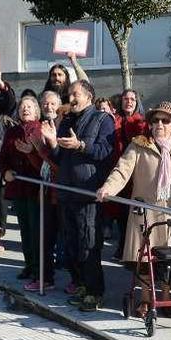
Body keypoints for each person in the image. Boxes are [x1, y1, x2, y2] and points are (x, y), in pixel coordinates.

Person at [96, 101, 171, 317]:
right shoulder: (138, 145)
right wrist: (107, 187)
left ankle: (166, 300)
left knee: (167, 261)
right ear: (150, 124)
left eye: (165, 120)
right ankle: (145, 301)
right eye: (155, 120)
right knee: (144, 261)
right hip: (144, 213)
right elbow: (121, 172)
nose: (159, 124)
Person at [48, 79, 115, 311]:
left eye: (75, 94)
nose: (71, 99)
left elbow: (105, 152)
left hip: (87, 191)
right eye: (69, 95)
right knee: (72, 244)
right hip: (67, 190)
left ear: (89, 96)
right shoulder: (67, 120)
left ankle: (95, 292)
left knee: (89, 244)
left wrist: (81, 146)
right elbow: (59, 158)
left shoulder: (102, 119)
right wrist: (51, 143)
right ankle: (82, 285)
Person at [0, 96, 48, 290]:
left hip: (36, 189)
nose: (25, 109)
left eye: (29, 107)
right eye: (23, 107)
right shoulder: (12, 131)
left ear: (36, 111)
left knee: (37, 231)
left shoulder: (41, 129)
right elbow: (3, 157)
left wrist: (32, 151)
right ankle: (29, 265)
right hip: (18, 187)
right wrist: (5, 172)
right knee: (25, 230)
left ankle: (40, 270)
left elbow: (47, 160)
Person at [109, 88, 148, 259]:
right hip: (118, 171)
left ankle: (134, 249)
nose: (129, 102)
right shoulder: (114, 120)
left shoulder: (141, 122)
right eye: (126, 98)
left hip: (136, 174)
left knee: (135, 213)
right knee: (121, 214)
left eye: (132, 99)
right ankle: (123, 247)